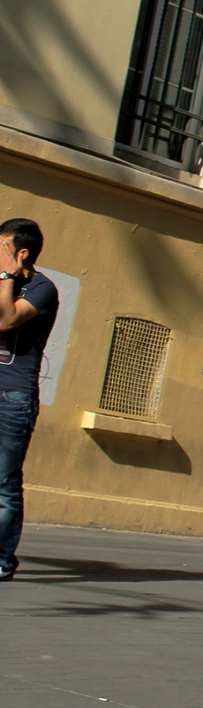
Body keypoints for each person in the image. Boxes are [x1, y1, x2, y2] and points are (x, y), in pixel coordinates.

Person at [0, 218, 58, 583]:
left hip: (13, 396)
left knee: (3, 481)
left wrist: (6, 278)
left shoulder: (41, 289)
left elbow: (6, 320)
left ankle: (3, 559)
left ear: (21, 254)